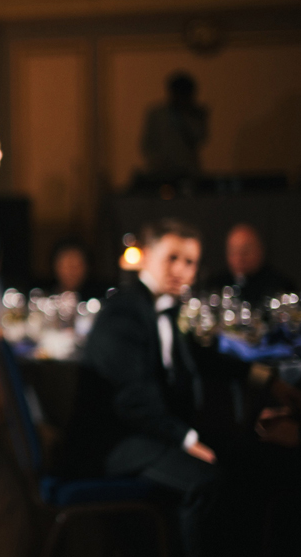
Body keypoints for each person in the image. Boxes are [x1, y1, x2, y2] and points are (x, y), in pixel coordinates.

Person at [73, 219, 301, 557]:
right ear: (147, 256)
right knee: (208, 481)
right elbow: (132, 401)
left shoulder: (167, 309)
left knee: (254, 463)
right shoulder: (124, 312)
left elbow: (204, 357)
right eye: (173, 258)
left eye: (190, 262)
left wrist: (267, 379)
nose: (182, 269)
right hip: (116, 442)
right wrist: (186, 439)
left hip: (151, 432)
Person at [140, 71, 208, 182]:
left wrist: (188, 114)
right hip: (161, 172)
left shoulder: (195, 114)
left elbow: (200, 137)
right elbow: (147, 142)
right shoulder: (157, 114)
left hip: (188, 172)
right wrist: (157, 161)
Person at [204, 223, 295, 306]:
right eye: (233, 251)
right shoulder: (216, 285)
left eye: (245, 252)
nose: (239, 258)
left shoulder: (280, 286)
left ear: (259, 250)